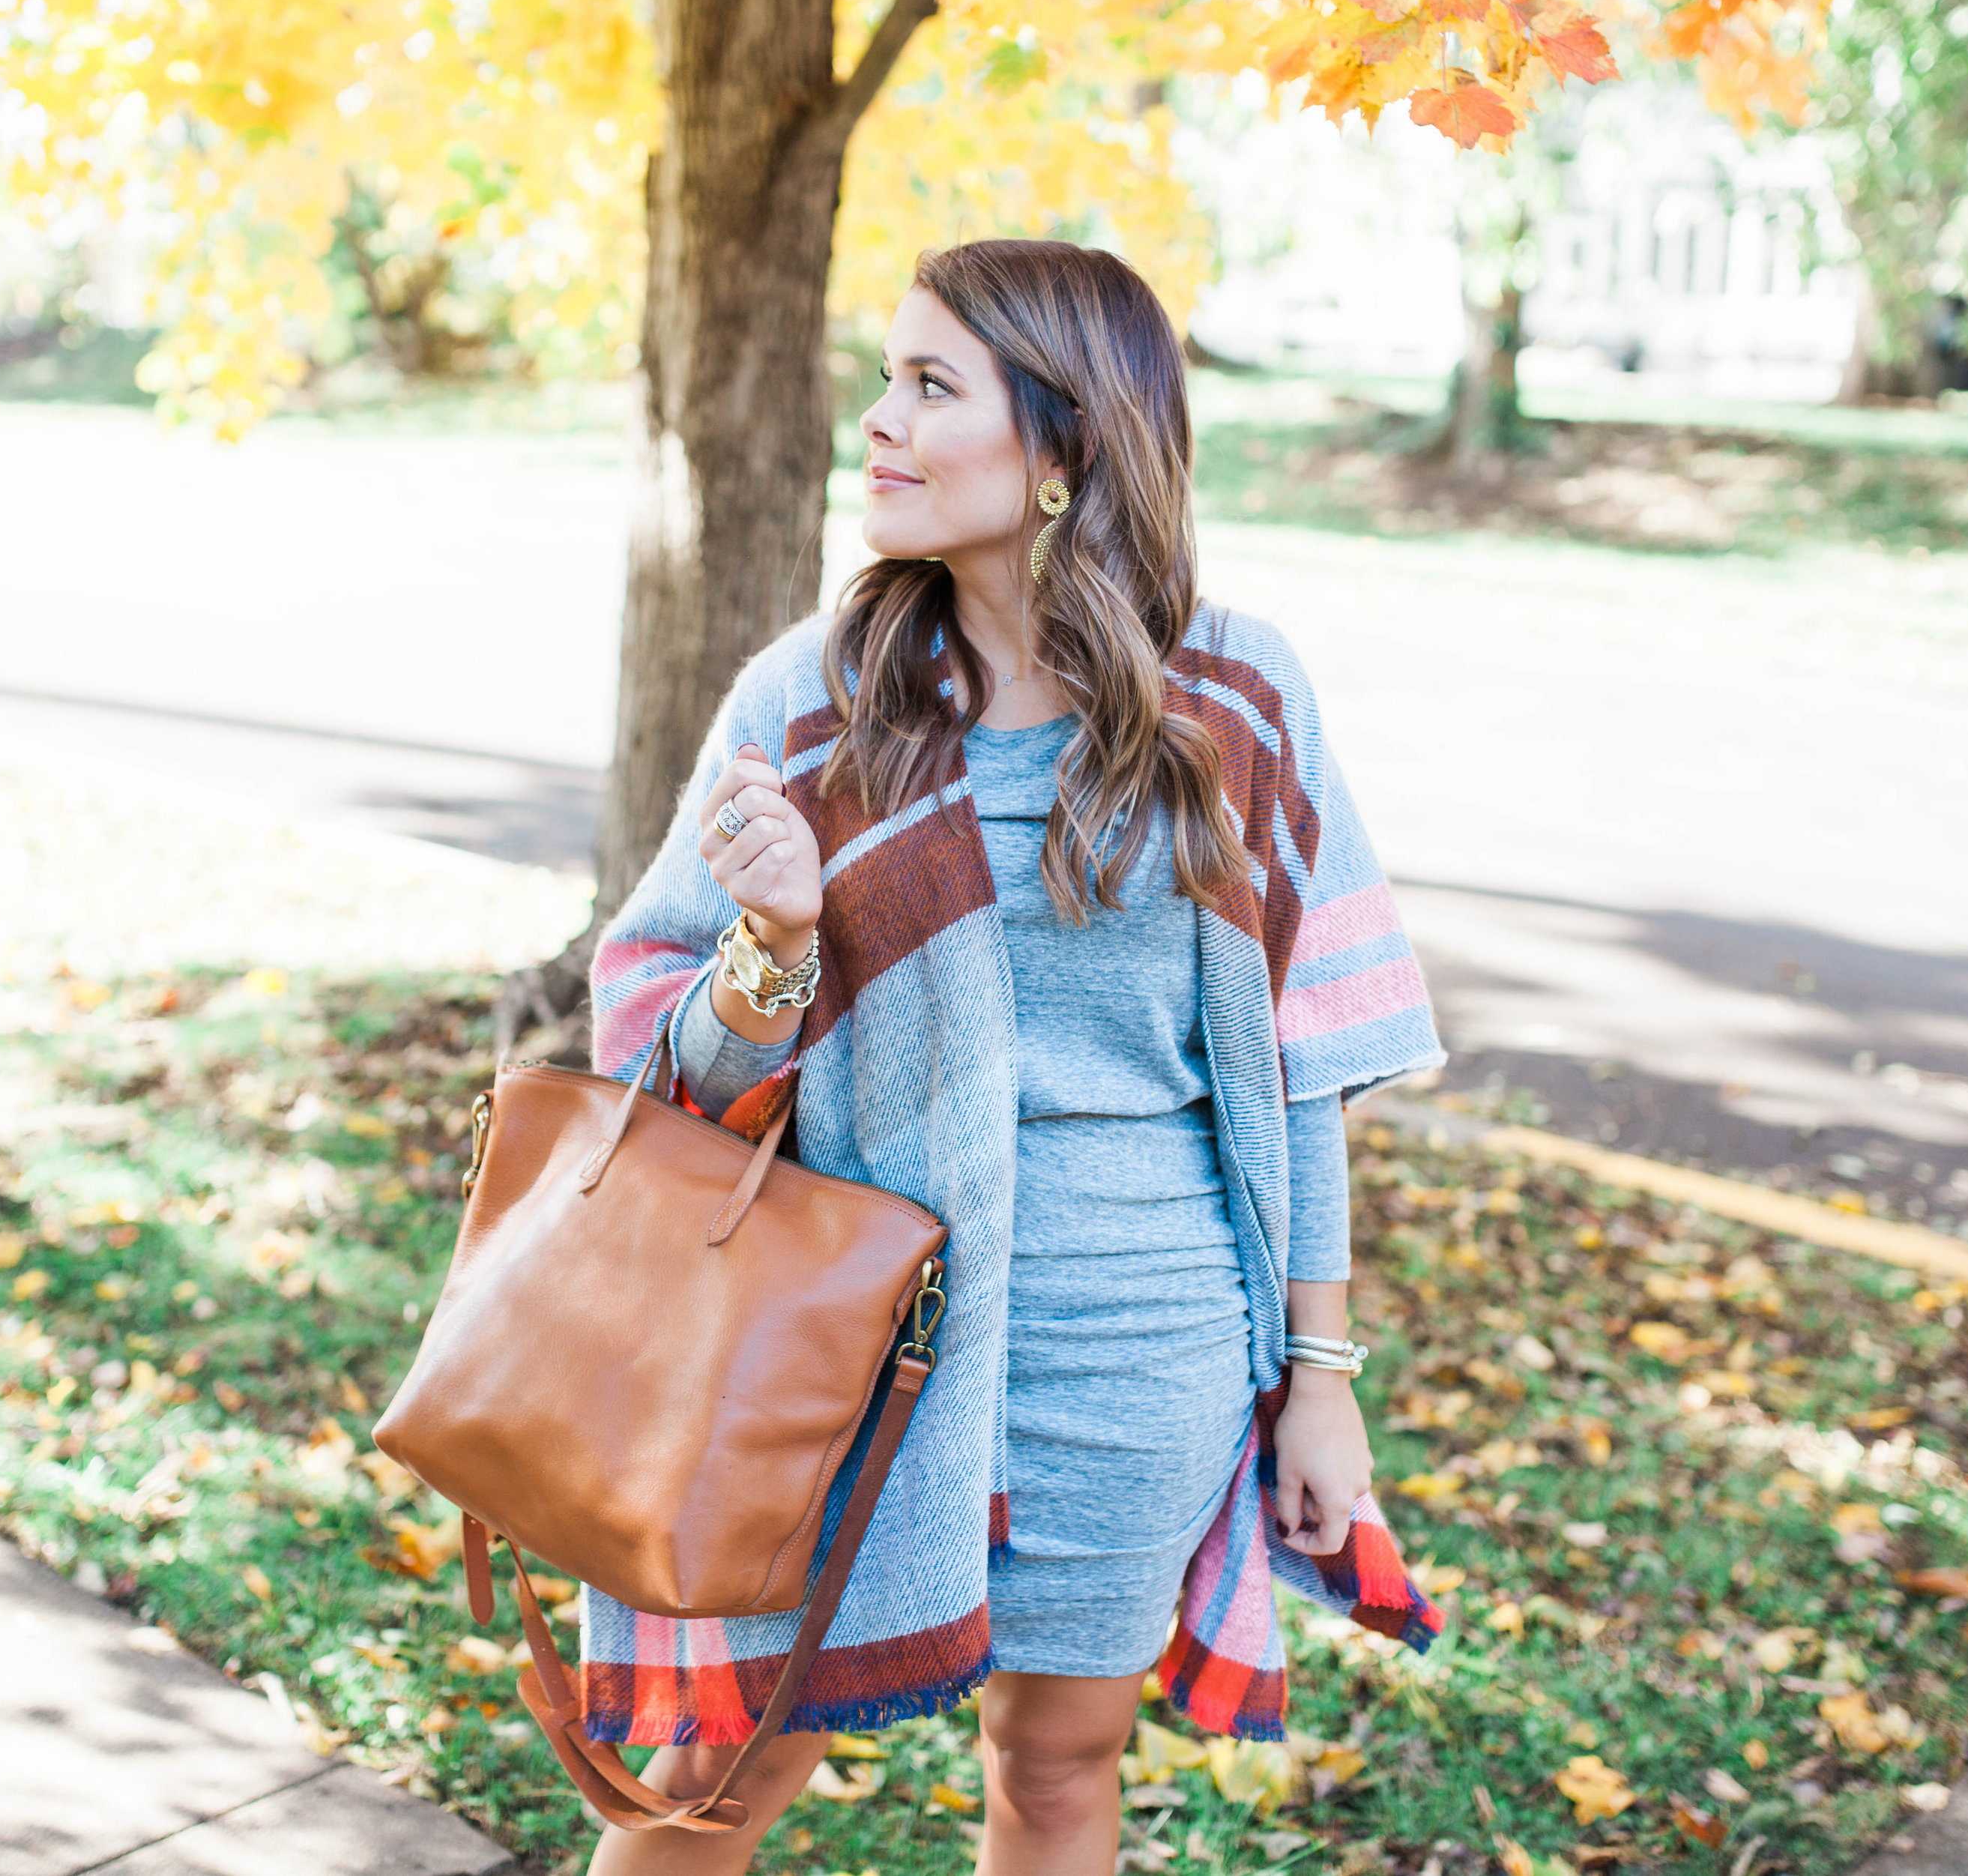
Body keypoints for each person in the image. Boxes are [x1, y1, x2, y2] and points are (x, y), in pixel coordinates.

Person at [582, 238, 1447, 1876]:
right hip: (843, 1334)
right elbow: (663, 1059)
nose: (875, 423)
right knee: (720, 1771)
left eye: (926, 386)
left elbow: (1302, 1062)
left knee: (1055, 1772)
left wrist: (1319, 1385)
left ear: (1060, 449)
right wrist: (765, 943)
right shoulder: (814, 699)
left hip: (1140, 1333)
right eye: (882, 379)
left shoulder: (1233, 696)